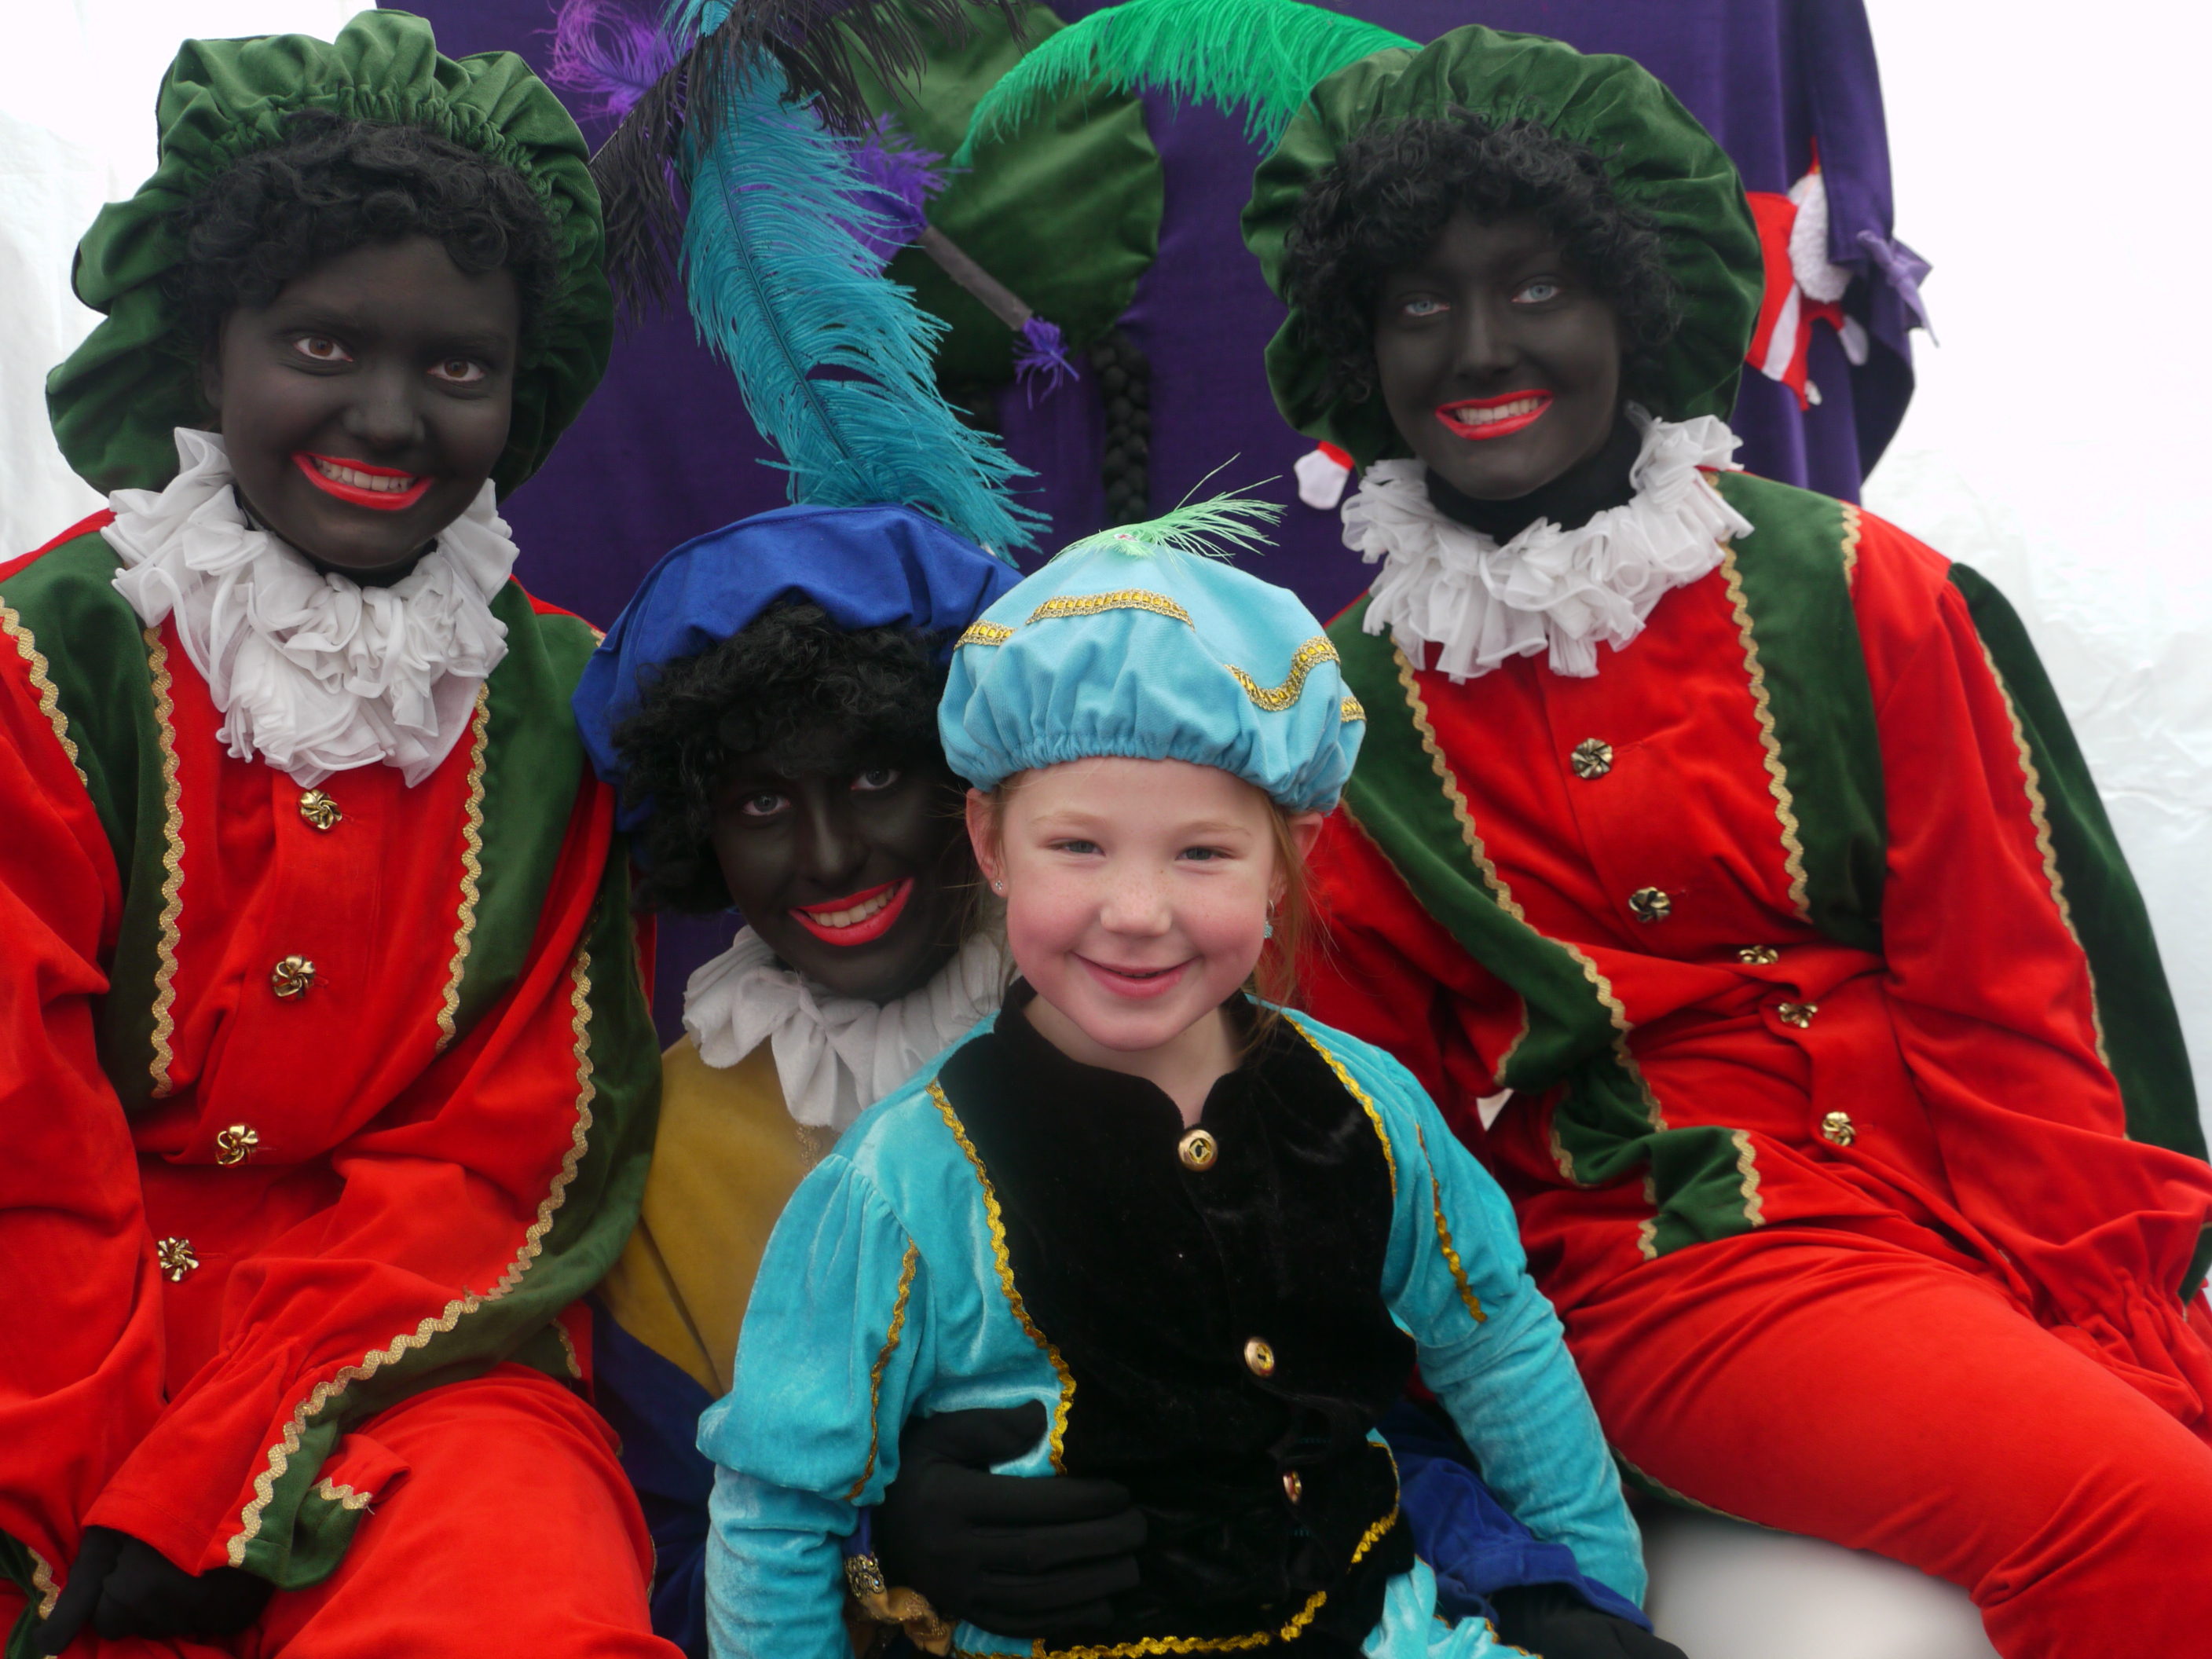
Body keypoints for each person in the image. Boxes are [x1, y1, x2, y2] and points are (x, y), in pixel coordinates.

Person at [1219, 17, 2212, 1657]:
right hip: (1681, 1261)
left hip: (1987, 1212)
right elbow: (1370, 1139)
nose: (1481, 346)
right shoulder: (1339, 721)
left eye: (1539, 284)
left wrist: (2114, 1312)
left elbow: (2019, 988)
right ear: (1356, 347)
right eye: (1417, 304)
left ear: (1636, 298)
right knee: (2158, 1531)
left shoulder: (1859, 587)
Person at [698, 503, 1658, 1659]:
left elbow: (1496, 1346)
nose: (1139, 913)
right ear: (991, 844)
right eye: (1079, 847)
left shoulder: (1370, 1107)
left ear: (1289, 860)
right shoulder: (899, 1184)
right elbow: (777, 1511)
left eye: (1202, 853)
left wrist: (1596, 1598)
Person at [0, 13, 674, 1655]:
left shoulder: (563, 707)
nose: (385, 414)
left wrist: (239, 1449)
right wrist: (73, 1480)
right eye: (317, 344)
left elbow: (511, 1149)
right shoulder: (44, 656)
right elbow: (23, 1129)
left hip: (409, 1349)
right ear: (205, 351)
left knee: (524, 1599)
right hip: (38, 1332)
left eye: (456, 369)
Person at [569, 502, 1080, 1655]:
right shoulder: (666, 1154)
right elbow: (657, 1562)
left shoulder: (1137, 1031)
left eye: (877, 774)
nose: (832, 854)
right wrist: (877, 1550)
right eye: (761, 802)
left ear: (976, 784)